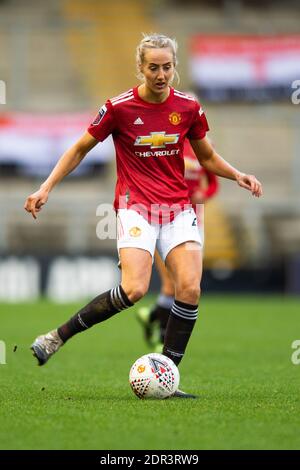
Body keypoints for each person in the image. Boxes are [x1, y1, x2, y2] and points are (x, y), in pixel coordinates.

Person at [24, 33, 262, 398]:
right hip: (136, 207)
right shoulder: (119, 108)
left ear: (174, 67)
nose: (161, 74)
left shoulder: (188, 107)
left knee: (190, 289)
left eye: (167, 66)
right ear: (141, 67)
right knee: (135, 289)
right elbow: (79, 149)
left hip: (179, 208)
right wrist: (45, 187)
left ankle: (166, 377)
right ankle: (57, 336)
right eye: (154, 67)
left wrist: (238, 174)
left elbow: (208, 157)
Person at [137, 136, 219, 351]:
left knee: (187, 284)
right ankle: (162, 338)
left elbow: (213, 181)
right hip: (164, 218)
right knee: (170, 284)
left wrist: (205, 194)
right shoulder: (168, 143)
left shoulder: (204, 145)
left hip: (193, 221)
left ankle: (154, 315)